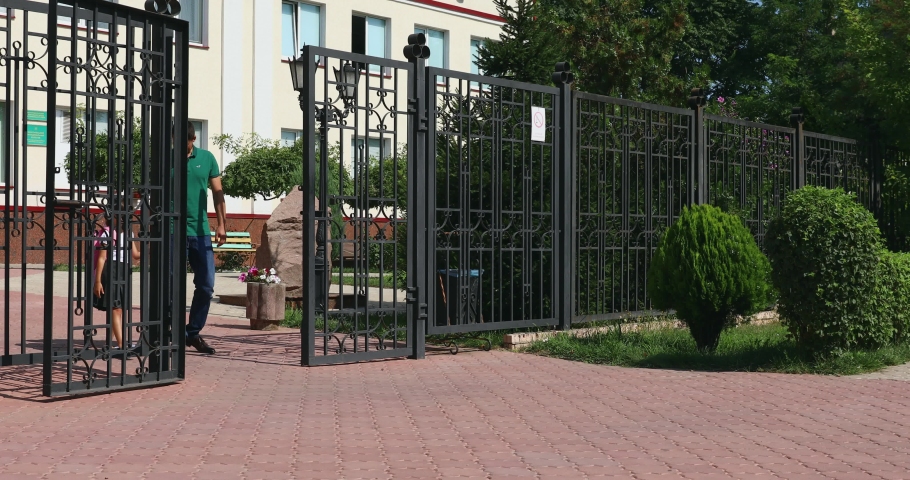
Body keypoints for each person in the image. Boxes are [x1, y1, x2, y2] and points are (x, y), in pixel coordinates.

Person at [184, 121, 226, 354]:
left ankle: (192, 333)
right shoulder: (166, 158)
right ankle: (166, 332)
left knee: (207, 285)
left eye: (187, 143)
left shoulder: (207, 158)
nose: (183, 147)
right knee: (168, 286)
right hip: (172, 230)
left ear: (193, 140)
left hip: (200, 232)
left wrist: (221, 225)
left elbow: (218, 193)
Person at [92, 200, 141, 356]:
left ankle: (110, 344)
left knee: (119, 309)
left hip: (124, 270)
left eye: (124, 216)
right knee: (115, 308)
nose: (121, 219)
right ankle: (122, 346)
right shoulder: (107, 233)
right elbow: (101, 258)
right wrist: (98, 281)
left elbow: (135, 255)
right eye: (118, 216)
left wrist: (151, 246)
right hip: (110, 270)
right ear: (110, 217)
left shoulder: (128, 233)